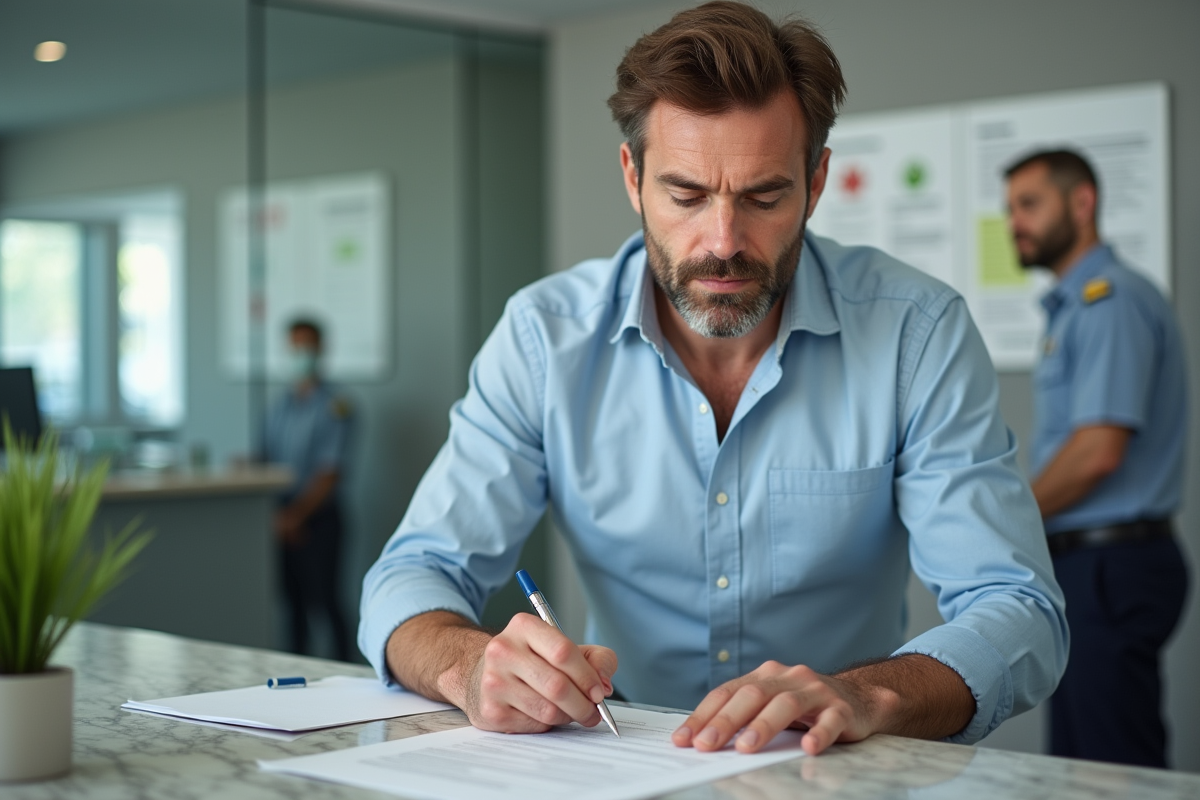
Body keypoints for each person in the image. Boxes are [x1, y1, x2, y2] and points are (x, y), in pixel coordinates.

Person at [361, 1, 1067, 757]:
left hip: (828, 760)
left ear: (817, 179)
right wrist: (468, 667)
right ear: (632, 177)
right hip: (616, 755)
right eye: (686, 195)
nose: (723, 243)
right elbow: (413, 576)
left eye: (764, 197)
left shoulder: (916, 334)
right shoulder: (544, 338)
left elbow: (1017, 607)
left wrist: (861, 695)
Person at [1004, 149, 1189, 767]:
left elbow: (1097, 453)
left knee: (1114, 770)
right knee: (1084, 765)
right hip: (1091, 562)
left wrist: (1006, 519)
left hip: (1112, 564)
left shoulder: (1108, 302)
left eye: (1029, 205)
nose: (1014, 223)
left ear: (1082, 204)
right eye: (1009, 210)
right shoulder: (1076, 305)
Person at [263, 317, 353, 661]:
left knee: (326, 602)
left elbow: (330, 472)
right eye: (295, 347)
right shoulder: (280, 404)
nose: (302, 354)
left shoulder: (336, 405)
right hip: (281, 517)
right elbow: (265, 457)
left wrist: (296, 516)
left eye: (308, 347)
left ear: (320, 349)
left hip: (317, 518)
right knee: (292, 607)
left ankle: (347, 672)